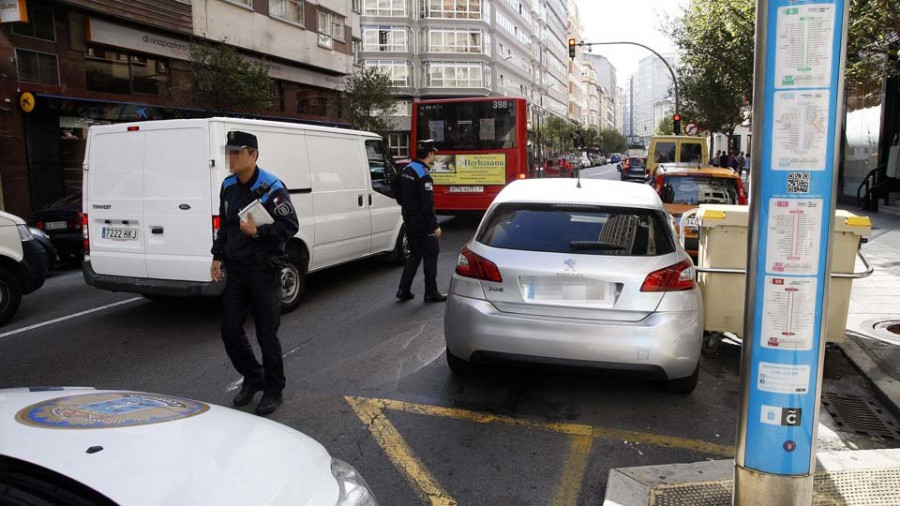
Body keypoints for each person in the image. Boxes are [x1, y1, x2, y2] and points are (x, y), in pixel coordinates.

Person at [211, 131, 299, 416]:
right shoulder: (228, 185)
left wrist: (259, 232)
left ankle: (274, 390)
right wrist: (217, 256)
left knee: (266, 334)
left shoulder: (271, 187)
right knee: (230, 331)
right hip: (236, 271)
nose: (232, 158)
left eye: (238, 152)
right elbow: (225, 226)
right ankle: (253, 377)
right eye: (230, 152)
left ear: (253, 155)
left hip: (263, 270)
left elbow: (290, 225)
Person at [396, 139, 446, 303]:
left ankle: (404, 290)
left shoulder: (407, 169)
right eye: (434, 153)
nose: (434, 156)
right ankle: (431, 293)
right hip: (423, 223)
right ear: (430, 154)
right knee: (431, 254)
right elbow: (427, 205)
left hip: (409, 220)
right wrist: (435, 226)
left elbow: (396, 189)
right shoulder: (423, 175)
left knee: (415, 255)